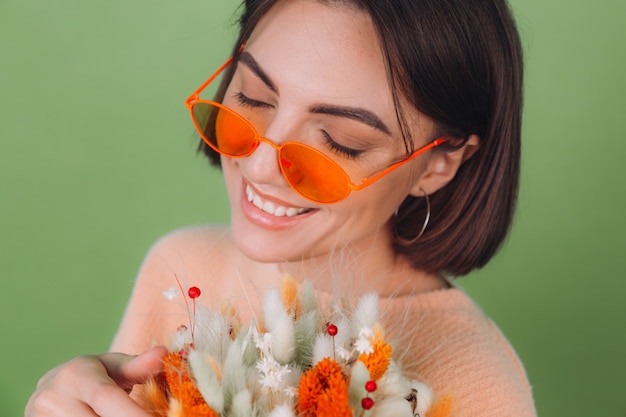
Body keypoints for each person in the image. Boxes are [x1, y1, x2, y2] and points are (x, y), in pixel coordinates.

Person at [25, 0, 535, 416]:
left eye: (341, 142)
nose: (264, 166)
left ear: (438, 165)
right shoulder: (181, 270)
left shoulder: (474, 383)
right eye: (253, 98)